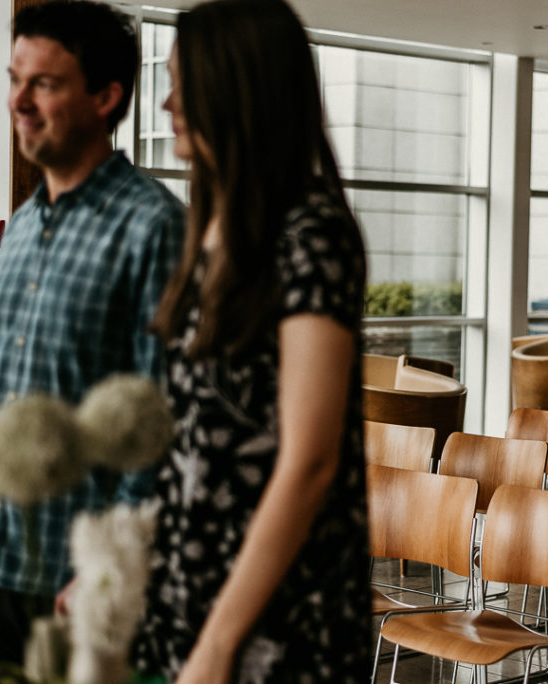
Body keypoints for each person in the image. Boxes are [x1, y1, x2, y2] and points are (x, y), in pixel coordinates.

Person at [0, 3, 186, 681]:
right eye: (15, 79)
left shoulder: (154, 226)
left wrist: (110, 572)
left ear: (106, 97)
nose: (18, 101)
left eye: (44, 83)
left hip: (82, 584)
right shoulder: (19, 227)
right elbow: (1, 401)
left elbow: (163, 419)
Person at [130, 1, 372, 682]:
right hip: (194, 590)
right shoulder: (213, 229)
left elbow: (309, 462)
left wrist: (216, 644)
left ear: (238, 89)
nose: (169, 101)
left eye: (186, 82)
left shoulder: (310, 233)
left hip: (274, 617)